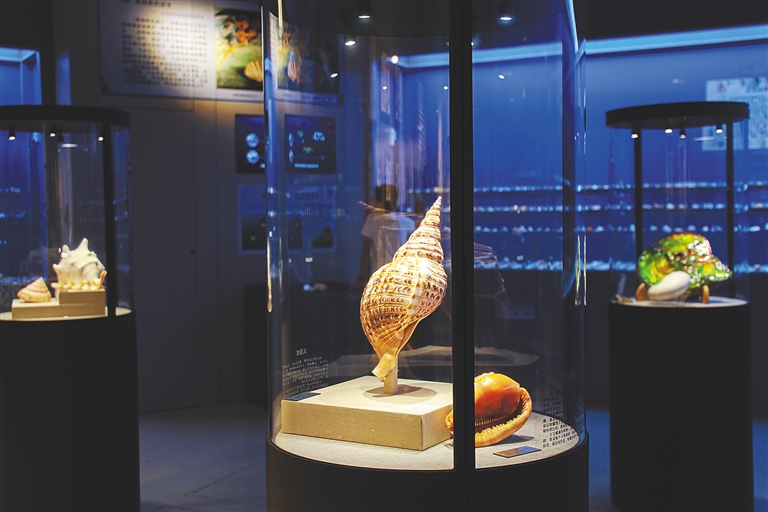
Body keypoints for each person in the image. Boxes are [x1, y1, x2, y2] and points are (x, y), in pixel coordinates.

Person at [354, 185, 415, 287]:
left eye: (374, 199)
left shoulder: (373, 219)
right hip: (401, 277)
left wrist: (362, 277)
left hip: (379, 277)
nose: (371, 203)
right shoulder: (408, 223)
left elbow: (366, 249)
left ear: (381, 202)